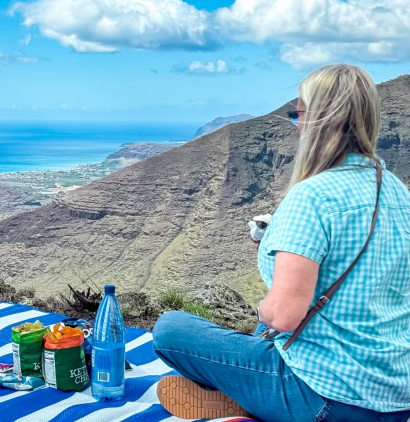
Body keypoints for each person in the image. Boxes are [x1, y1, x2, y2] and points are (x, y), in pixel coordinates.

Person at [152, 64, 410, 422]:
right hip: (395, 394)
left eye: (299, 114)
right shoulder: (395, 189)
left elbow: (285, 316)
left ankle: (249, 396)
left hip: (327, 397)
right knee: (266, 332)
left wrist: (267, 304)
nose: (297, 124)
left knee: (170, 329)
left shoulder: (312, 197)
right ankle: (249, 393)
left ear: (317, 121)